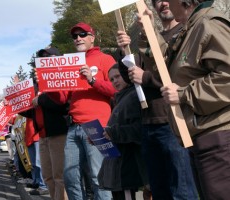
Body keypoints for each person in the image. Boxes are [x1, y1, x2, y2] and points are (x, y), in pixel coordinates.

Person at [116, 0, 198, 199]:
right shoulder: (149, 38)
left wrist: (146, 77)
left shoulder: (185, 33)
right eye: (157, 1)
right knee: (159, 190)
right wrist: (123, 51)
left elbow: (179, 77)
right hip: (149, 123)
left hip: (172, 123)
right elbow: (131, 78)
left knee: (182, 191)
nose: (163, 3)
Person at [156, 0, 230, 199]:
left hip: (218, 138)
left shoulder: (208, 23)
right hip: (202, 137)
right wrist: (147, 33)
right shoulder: (192, 28)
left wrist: (184, 94)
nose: (164, 2)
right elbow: (165, 66)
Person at [46, 22, 116, 200]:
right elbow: (62, 99)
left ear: (92, 37)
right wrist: (50, 84)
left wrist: (92, 80)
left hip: (98, 125)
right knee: (70, 179)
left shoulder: (105, 59)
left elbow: (117, 89)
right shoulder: (71, 63)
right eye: (75, 36)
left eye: (82, 34)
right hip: (74, 127)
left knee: (99, 177)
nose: (78, 38)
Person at [97, 64, 149, 200]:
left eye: (117, 76)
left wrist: (113, 133)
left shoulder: (134, 96)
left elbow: (139, 129)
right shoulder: (120, 99)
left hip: (129, 164)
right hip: (119, 166)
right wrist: (101, 136)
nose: (115, 81)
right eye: (111, 79)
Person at [31, 47, 69, 200]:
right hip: (43, 134)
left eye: (47, 57)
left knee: (59, 176)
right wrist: (14, 107)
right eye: (41, 59)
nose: (44, 61)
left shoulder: (63, 76)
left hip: (58, 133)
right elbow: (33, 109)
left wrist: (40, 99)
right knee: (47, 176)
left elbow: (63, 103)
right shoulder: (39, 83)